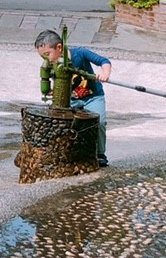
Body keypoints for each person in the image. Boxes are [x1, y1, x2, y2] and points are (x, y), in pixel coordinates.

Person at [34, 29, 112, 166]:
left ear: (59, 48)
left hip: (92, 97)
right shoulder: (52, 65)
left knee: (99, 122)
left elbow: (104, 61)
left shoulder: (80, 54)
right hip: (71, 100)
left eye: (47, 55)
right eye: (43, 57)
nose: (46, 60)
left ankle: (100, 153)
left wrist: (104, 73)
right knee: (59, 123)